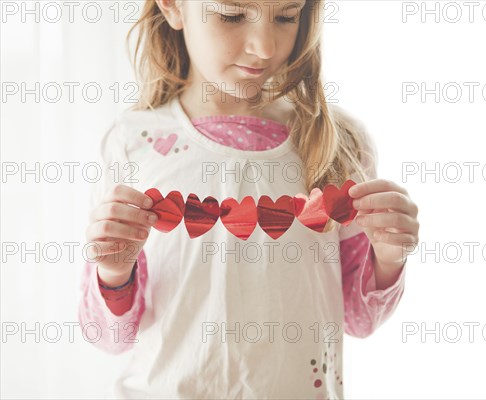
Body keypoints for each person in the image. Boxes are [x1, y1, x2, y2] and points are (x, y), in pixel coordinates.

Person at [78, 0, 420, 398]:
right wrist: (114, 272)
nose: (264, 46)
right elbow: (108, 335)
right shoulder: (133, 143)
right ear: (172, 6)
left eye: (286, 16)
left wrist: (390, 256)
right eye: (232, 15)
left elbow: (361, 319)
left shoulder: (340, 144)